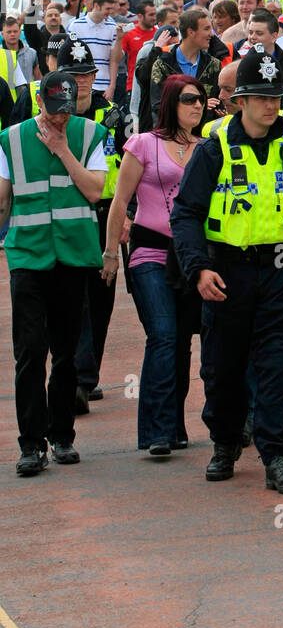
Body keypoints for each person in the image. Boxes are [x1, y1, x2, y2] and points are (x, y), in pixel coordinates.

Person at [170, 45, 283, 494]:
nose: (269, 105)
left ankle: (278, 455)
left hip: (280, 272)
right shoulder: (215, 146)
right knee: (223, 366)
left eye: (275, 96)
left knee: (281, 365)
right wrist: (198, 268)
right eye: (260, 96)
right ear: (239, 100)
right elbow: (185, 214)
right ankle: (225, 442)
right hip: (225, 273)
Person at [0, 70, 107, 476]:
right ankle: (31, 444)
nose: (61, 117)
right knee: (29, 352)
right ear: (39, 101)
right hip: (28, 255)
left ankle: (62, 436)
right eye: (53, 109)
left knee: (65, 354)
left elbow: (96, 191)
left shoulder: (91, 134)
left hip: (73, 256)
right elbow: (2, 201)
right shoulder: (10, 140)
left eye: (68, 109)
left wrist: (63, 150)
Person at [101, 75, 204, 456]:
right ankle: (156, 432)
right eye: (189, 99)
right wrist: (112, 253)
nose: (197, 106)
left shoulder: (208, 148)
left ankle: (174, 425)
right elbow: (119, 201)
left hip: (193, 257)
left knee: (181, 342)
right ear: (170, 102)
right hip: (149, 253)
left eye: (201, 100)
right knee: (162, 334)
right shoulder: (143, 143)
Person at [52, 39, 127, 411]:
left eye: (85, 74)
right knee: (73, 299)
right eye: (73, 74)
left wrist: (128, 214)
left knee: (100, 300)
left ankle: (88, 374)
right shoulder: (52, 112)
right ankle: (78, 378)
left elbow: (133, 165)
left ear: (95, 76)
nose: (80, 81)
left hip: (107, 217)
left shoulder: (115, 114)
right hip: (67, 216)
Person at [150, 7, 221, 128]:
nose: (211, 34)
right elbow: (158, 105)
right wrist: (201, 105)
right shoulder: (162, 64)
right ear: (191, 32)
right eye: (206, 29)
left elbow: (219, 101)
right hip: (171, 135)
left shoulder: (214, 65)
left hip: (203, 137)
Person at [68, 0, 123, 99]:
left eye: (111, 8)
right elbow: (70, 57)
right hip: (82, 84)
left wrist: (112, 86)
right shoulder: (76, 25)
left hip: (104, 86)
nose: (110, 12)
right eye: (107, 9)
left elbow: (115, 60)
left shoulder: (113, 27)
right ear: (96, 6)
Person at [120, 1, 157, 107]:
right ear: (140, 16)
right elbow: (118, 58)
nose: (154, 18)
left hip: (154, 85)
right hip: (134, 85)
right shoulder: (129, 34)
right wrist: (119, 39)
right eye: (151, 15)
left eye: (155, 14)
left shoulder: (158, 34)